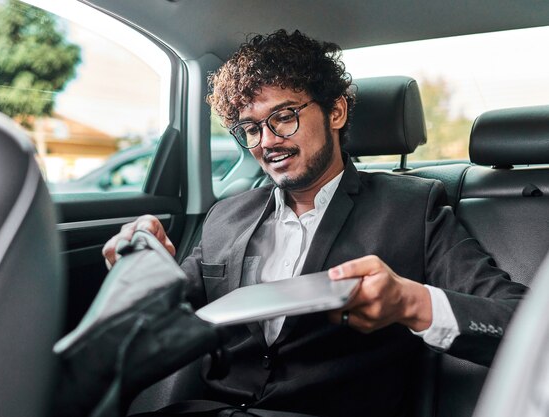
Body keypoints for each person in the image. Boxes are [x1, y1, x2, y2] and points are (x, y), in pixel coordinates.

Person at [103, 30, 527, 417]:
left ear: (336, 111)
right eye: (250, 128)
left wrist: (410, 302)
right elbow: (164, 322)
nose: (266, 141)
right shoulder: (226, 215)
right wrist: (140, 268)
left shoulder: (413, 208)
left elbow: (522, 324)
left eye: (284, 116)